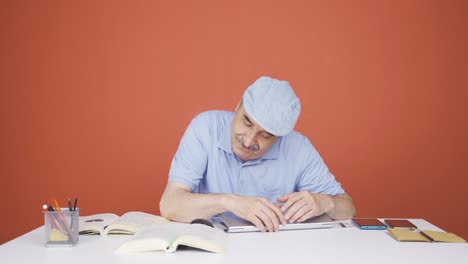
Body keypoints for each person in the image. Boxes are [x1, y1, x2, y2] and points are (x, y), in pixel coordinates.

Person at [160, 76, 356, 232]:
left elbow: (349, 209)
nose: (248, 141)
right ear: (238, 105)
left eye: (266, 135)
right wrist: (230, 201)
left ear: (281, 137)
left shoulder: (298, 147)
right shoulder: (205, 127)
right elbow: (169, 205)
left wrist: (326, 202)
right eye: (247, 121)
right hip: (210, 250)